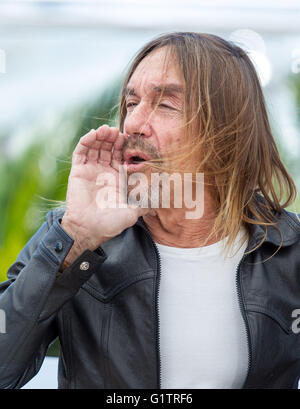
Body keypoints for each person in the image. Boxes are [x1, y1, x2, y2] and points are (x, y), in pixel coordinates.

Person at [1, 32, 300, 390]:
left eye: (165, 105)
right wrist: (77, 238)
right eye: (131, 103)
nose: (133, 125)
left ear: (227, 131)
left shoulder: (290, 251)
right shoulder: (72, 236)